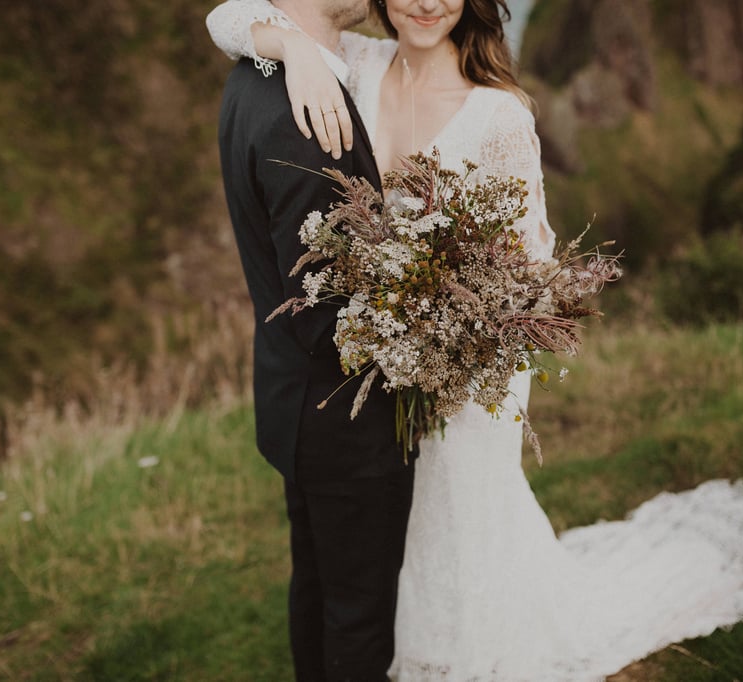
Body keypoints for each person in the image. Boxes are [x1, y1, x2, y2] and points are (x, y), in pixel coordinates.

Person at [207, 1, 743, 679]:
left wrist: (446, 339)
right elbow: (227, 17)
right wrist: (296, 54)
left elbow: (528, 275)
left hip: (459, 383)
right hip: (372, 381)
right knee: (372, 551)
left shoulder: (498, 116)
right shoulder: (358, 66)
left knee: (451, 539)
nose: (428, 2)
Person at [214, 0, 417, 679]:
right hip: (344, 422)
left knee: (320, 589)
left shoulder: (256, 73)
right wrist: (432, 327)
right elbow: (329, 316)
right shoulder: (308, 120)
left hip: (294, 403)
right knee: (358, 619)